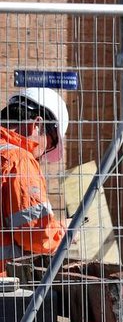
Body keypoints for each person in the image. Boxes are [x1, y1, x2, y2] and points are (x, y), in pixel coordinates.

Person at [0, 88, 68, 275]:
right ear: (36, 124)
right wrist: (64, 231)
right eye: (50, 143)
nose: (43, 153)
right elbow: (35, 236)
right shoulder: (19, 159)